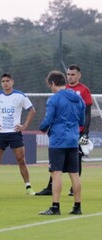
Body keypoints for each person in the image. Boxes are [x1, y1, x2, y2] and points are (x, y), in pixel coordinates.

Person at [35, 64, 93, 196]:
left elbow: (87, 113)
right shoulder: (65, 90)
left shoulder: (83, 90)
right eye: (68, 74)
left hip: (69, 133)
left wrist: (85, 132)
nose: (70, 77)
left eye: (73, 74)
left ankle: (67, 194)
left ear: (79, 75)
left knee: (64, 166)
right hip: (73, 133)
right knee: (64, 166)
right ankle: (53, 188)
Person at [0, 73, 36, 195]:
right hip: (1, 134)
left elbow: (32, 110)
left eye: (7, 81)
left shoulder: (20, 96)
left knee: (21, 160)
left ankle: (28, 187)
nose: (5, 83)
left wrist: (24, 126)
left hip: (15, 133)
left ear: (12, 82)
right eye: (3, 81)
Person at [38, 70, 84, 215]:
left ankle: (55, 207)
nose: (50, 88)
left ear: (53, 83)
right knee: (74, 174)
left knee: (56, 173)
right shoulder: (79, 99)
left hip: (58, 140)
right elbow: (82, 121)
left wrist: (43, 128)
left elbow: (48, 119)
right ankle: (77, 207)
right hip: (73, 139)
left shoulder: (54, 99)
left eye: (50, 85)